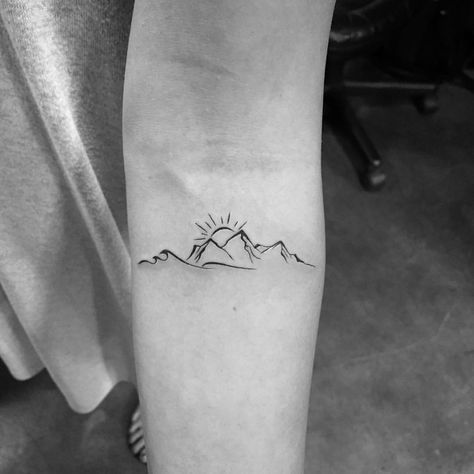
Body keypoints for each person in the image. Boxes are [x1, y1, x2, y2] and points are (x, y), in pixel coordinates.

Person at [0, 0, 335, 472]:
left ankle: (158, 394)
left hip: (132, 147)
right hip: (20, 179)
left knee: (135, 301)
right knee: (81, 310)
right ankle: (140, 381)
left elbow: (225, 146)